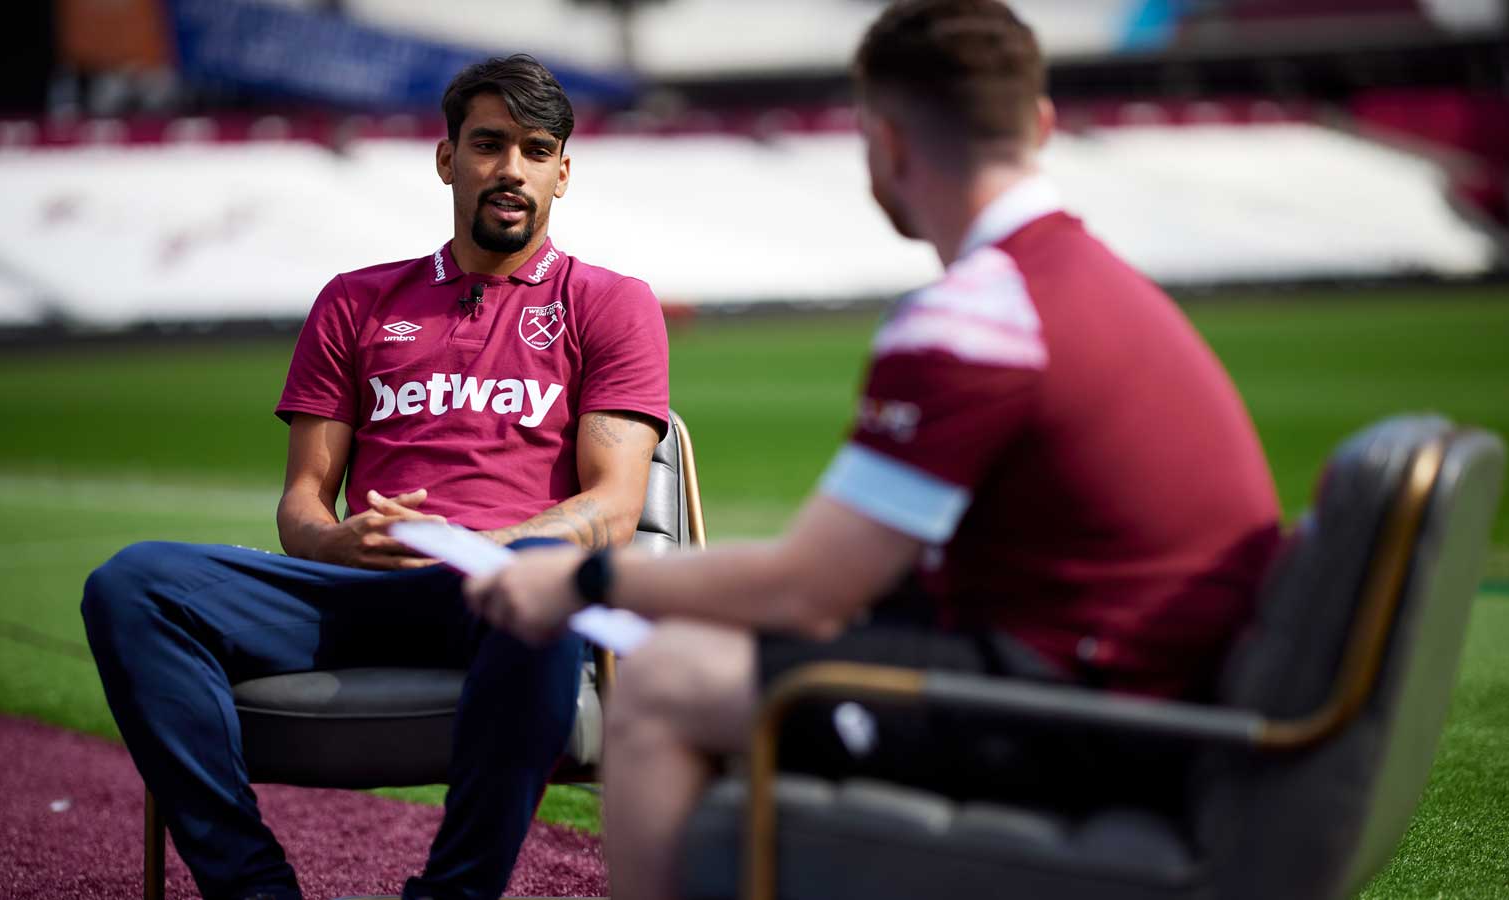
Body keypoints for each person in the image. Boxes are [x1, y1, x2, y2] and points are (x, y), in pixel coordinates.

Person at [465, 2, 1282, 898]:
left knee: (664, 682)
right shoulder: (1101, 281)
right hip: (1160, 694)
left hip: (1095, 717)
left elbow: (811, 587)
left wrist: (575, 579)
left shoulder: (979, 313)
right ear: (1040, 124)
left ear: (886, 146)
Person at [81, 54, 669, 900]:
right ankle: (253, 888)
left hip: (499, 594)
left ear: (563, 173)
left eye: (536, 150)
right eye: (489, 144)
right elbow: (301, 505)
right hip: (356, 587)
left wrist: (484, 549)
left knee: (546, 584)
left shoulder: (610, 302)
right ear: (447, 159)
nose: (511, 169)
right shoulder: (355, 301)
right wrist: (337, 540)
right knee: (133, 583)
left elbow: (613, 506)